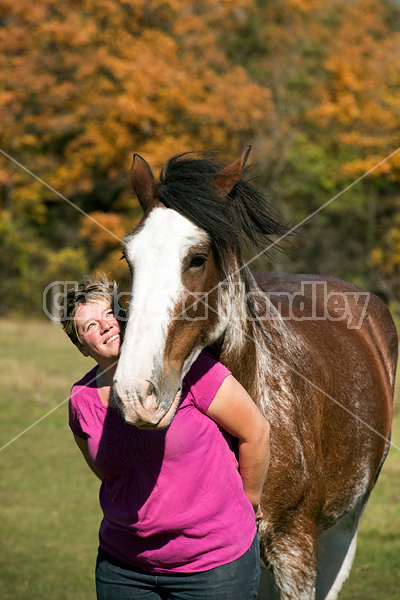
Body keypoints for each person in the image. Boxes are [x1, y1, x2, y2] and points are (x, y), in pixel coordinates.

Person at [62, 275, 270, 600]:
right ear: (81, 348)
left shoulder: (187, 368)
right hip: (123, 569)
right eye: (89, 326)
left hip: (213, 568)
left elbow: (255, 431)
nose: (104, 325)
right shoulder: (81, 401)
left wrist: (249, 503)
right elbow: (107, 472)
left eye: (111, 312)